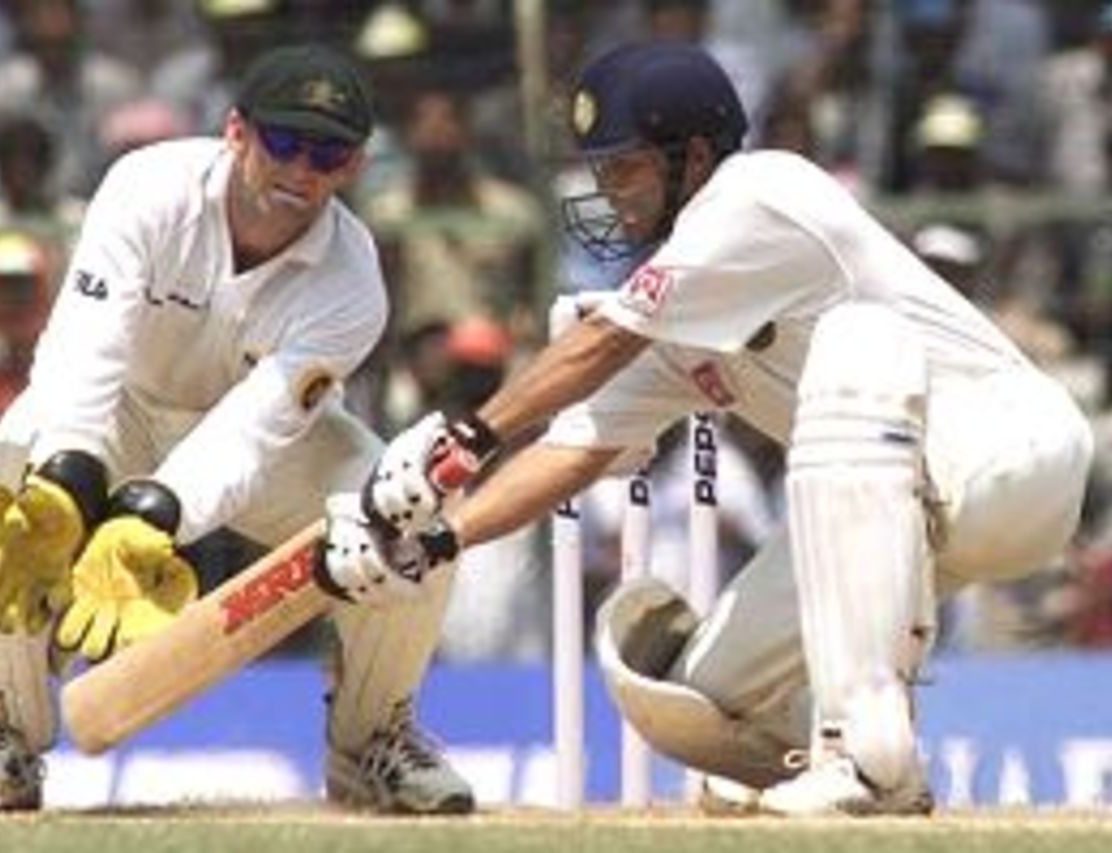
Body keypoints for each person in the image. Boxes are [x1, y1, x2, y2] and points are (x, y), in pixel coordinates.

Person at [317, 41, 1093, 817]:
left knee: (857, 343)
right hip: (910, 521)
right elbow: (570, 450)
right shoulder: (678, 324)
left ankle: (868, 758)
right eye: (598, 172)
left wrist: (465, 440)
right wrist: (434, 541)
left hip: (1010, 452)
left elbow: (603, 341)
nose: (607, 193)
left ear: (692, 155)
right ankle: (851, 752)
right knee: (691, 697)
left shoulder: (761, 190)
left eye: (623, 168)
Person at [0, 43, 473, 816]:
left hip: (261, 448)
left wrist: (159, 514)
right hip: (121, 408)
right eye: (284, 142)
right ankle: (2, 737)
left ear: (353, 166)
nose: (300, 171)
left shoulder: (352, 280)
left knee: (409, 515)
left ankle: (372, 741)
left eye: (328, 154)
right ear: (236, 132)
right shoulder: (147, 187)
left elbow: (254, 430)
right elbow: (84, 352)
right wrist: (65, 481)